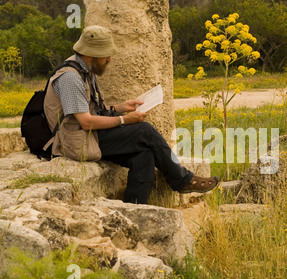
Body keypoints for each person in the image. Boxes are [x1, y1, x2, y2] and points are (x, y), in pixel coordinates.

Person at [43, 25, 219, 204]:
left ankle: (135, 209)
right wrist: (124, 120)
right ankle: (182, 179)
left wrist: (120, 108)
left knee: (144, 155)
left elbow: (90, 112)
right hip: (75, 142)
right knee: (144, 130)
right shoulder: (71, 78)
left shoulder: (86, 71)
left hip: (87, 136)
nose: (109, 59)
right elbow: (86, 122)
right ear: (92, 54)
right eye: (106, 55)